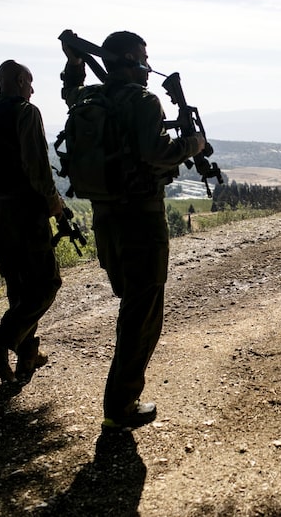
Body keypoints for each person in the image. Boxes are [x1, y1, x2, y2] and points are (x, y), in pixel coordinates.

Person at [60, 31, 205, 430]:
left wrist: (74, 61)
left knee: (131, 300)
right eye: (143, 56)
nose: (148, 64)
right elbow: (156, 153)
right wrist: (194, 144)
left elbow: (69, 89)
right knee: (141, 312)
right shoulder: (143, 101)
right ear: (129, 59)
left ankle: (121, 396)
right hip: (141, 219)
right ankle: (120, 405)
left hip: (105, 219)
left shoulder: (88, 98)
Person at [0, 60, 63, 383]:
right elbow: (38, 168)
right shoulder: (26, 112)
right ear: (19, 80)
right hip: (25, 212)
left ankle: (26, 352)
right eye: (30, 83)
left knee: (18, 285)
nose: (32, 90)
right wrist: (54, 205)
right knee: (47, 283)